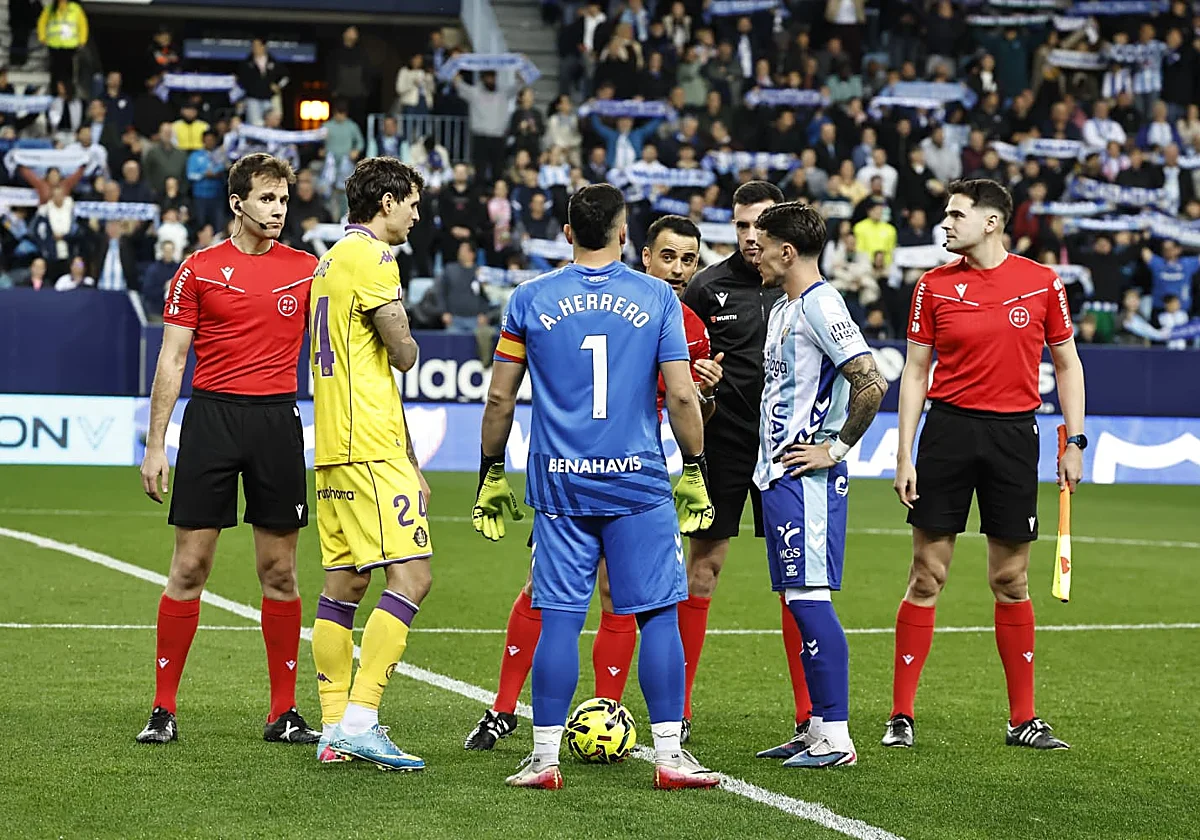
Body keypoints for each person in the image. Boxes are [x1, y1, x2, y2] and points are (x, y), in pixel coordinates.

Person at [472, 185, 721, 790]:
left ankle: (543, 759)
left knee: (557, 616)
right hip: (636, 482)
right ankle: (668, 757)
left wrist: (489, 472)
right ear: (622, 234)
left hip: (559, 483)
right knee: (659, 613)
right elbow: (684, 394)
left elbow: (501, 395)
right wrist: (696, 467)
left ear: (565, 233)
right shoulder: (657, 298)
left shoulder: (529, 299)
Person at [885, 179, 1086, 750]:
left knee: (1011, 578)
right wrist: (905, 452)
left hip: (1013, 437)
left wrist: (1077, 440)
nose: (944, 225)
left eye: (955, 215)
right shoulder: (932, 287)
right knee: (927, 575)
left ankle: (1023, 719)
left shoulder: (1043, 283)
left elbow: (1067, 366)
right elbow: (916, 373)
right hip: (947, 433)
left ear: (992, 222)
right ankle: (901, 715)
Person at [136, 153, 320, 745]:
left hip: (276, 421)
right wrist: (155, 444)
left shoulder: (308, 270)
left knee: (280, 571)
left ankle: (283, 713)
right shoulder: (199, 269)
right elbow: (171, 359)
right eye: (267, 199)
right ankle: (163, 710)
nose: (278, 210)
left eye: (284, 200)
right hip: (211, 419)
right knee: (189, 566)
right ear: (238, 203)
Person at [751, 202, 888, 768]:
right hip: (780, 476)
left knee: (810, 601)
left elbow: (871, 381)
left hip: (808, 480)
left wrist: (833, 449)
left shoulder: (822, 303)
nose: (752, 252)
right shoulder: (788, 306)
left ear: (788, 251)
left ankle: (837, 737)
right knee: (795, 598)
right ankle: (815, 729)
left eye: (761, 243)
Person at [681, 181, 815, 755]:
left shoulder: (805, 288)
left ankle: (810, 717)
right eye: (739, 226)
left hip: (786, 451)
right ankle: (677, 711)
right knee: (703, 569)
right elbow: (680, 370)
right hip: (727, 447)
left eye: (760, 224)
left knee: (794, 581)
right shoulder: (707, 288)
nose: (750, 236)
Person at [308, 157, 431, 771]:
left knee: (345, 585)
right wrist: (410, 336)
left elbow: (370, 366)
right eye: (409, 201)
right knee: (412, 578)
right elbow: (401, 352)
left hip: (334, 444)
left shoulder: (328, 259)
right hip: (368, 445)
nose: (415, 213)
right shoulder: (376, 258)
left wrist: (412, 456)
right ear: (385, 202)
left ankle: (332, 727)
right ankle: (361, 720)